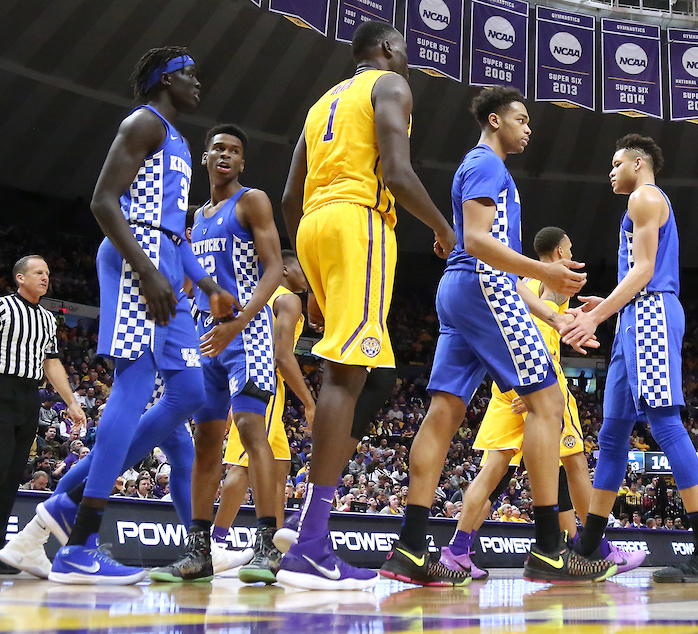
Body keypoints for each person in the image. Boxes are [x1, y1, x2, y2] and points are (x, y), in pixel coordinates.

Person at [380, 85, 604, 587]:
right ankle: (549, 548)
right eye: (522, 119)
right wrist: (545, 274)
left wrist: (554, 317)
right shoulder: (487, 165)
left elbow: (486, 261)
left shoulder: (483, 168)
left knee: (445, 411)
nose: (529, 127)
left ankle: (411, 549)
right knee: (548, 403)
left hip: (461, 291)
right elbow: (479, 244)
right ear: (497, 121)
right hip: (480, 285)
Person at [45, 47, 240, 585]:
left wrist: (204, 283)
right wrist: (149, 272)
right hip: (138, 260)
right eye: (190, 74)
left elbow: (174, 231)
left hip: (165, 262)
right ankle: (79, 541)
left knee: (191, 394)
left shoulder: (175, 139)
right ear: (165, 79)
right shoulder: (144, 123)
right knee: (132, 390)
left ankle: (69, 501)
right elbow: (104, 201)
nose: (198, 83)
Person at [278, 20, 456, 591]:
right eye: (403, 47)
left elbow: (288, 196)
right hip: (361, 222)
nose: (408, 58)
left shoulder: (321, 103)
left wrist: (304, 270)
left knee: (373, 378)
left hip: (313, 227)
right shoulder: (391, 86)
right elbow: (398, 173)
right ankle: (309, 544)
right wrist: (442, 227)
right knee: (344, 377)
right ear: (385, 50)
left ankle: (310, 528)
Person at [562, 134, 698, 583]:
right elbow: (639, 273)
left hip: (652, 313)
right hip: (636, 315)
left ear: (638, 163)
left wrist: (597, 315)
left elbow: (644, 271)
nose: (610, 172)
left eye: (616, 163)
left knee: (664, 423)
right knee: (614, 432)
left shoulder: (644, 196)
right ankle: (586, 550)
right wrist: (609, 304)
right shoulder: (641, 202)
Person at [441, 227, 644, 579]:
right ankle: (598, 548)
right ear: (561, 252)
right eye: (570, 249)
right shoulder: (553, 282)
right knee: (576, 463)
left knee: (495, 472)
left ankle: (456, 551)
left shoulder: (519, 280)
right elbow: (539, 329)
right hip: (542, 383)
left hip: (508, 385)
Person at [148, 124, 286, 584]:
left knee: (249, 431)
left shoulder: (252, 201)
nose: (226, 155)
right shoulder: (196, 218)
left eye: (235, 151)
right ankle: (199, 551)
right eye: (218, 149)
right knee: (206, 443)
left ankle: (267, 546)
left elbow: (272, 270)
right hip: (206, 339)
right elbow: (192, 284)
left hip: (247, 334)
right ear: (205, 158)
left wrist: (239, 323)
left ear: (242, 163)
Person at [210, 251, 312, 573]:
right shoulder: (287, 300)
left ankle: (273, 548)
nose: (308, 278)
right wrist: (310, 403)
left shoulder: (255, 297)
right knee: (243, 466)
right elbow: (282, 356)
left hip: (249, 380)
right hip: (262, 385)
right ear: (283, 269)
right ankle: (215, 543)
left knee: (278, 468)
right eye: (303, 270)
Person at [0, 256, 86, 576]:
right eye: (38, 272)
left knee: (9, 477)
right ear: (20, 278)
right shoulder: (1, 307)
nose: (46, 278)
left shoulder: (48, 319)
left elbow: (52, 363)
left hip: (30, 396)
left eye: (48, 273)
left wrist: (71, 402)